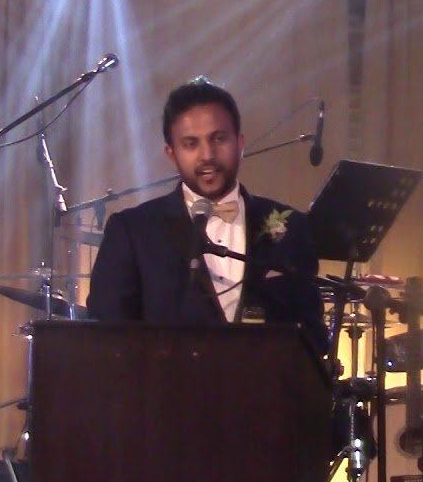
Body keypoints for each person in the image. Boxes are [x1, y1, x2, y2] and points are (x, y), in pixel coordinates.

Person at [86, 78, 327, 354]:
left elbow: (313, 339)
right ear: (171, 154)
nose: (207, 155)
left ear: (240, 143)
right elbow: (106, 340)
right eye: (191, 144)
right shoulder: (132, 231)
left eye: (219, 139)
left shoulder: (291, 227)